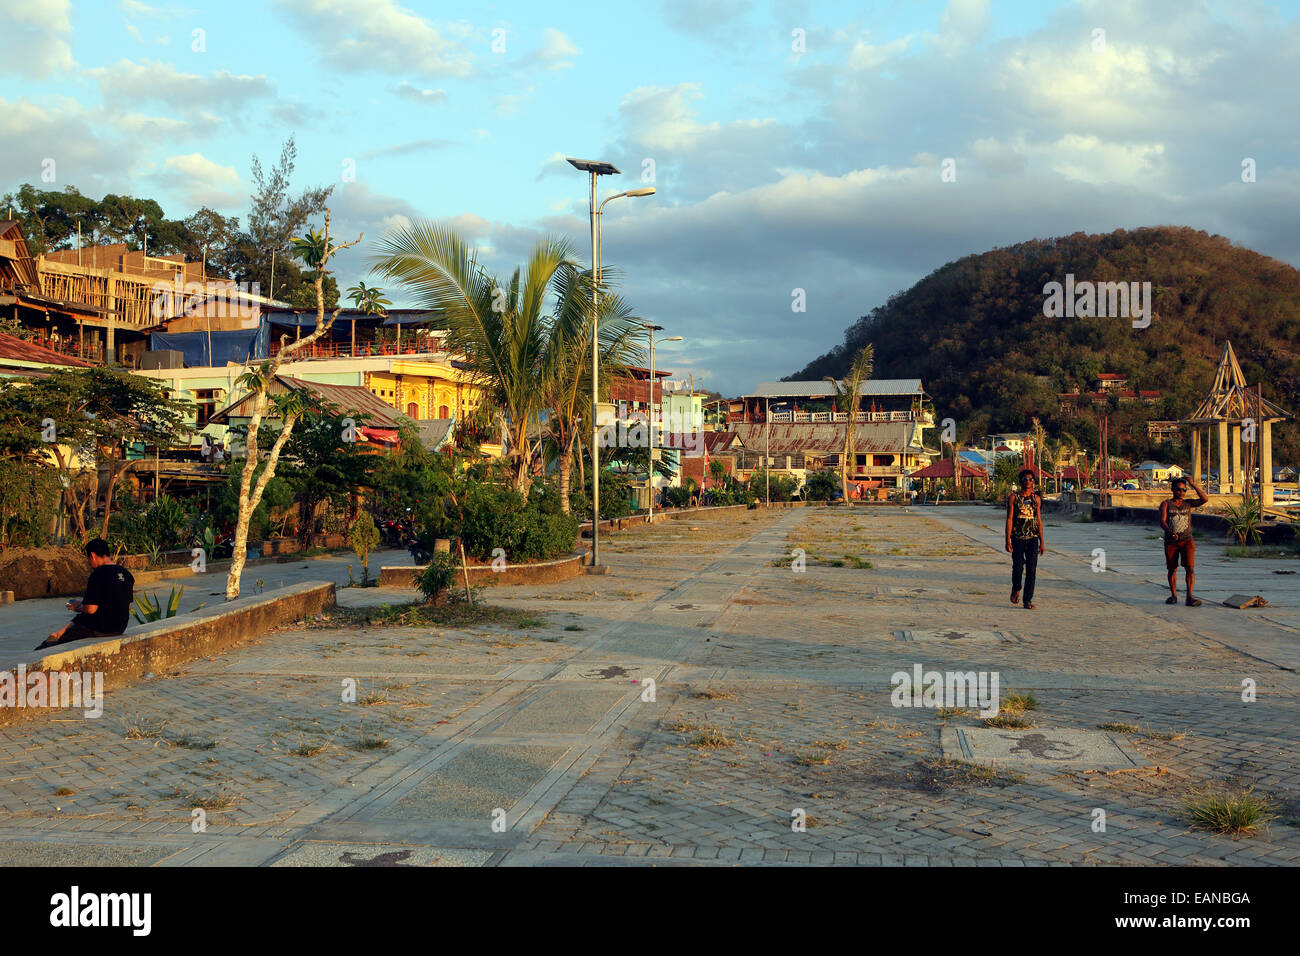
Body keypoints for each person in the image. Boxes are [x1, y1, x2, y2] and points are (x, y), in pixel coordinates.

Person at [35, 539, 135, 652]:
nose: (89, 563)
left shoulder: (97, 574)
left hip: (102, 628)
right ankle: (59, 632)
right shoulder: (127, 574)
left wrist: (77, 607)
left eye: (88, 559)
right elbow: (127, 606)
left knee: (50, 646)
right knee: (83, 616)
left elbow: (91, 609)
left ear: (92, 555)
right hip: (120, 627)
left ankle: (55, 637)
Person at [1160, 477, 1208, 606]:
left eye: (1184, 490)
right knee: (1172, 569)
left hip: (1187, 540)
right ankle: (1174, 595)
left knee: (1190, 568)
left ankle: (1189, 597)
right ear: (1172, 489)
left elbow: (1205, 499)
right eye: (1178, 489)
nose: (1181, 492)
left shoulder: (1188, 503)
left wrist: (1193, 484)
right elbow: (1162, 521)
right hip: (1171, 542)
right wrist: (1170, 532)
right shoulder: (1166, 504)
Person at [1005, 469, 1045, 610]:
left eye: (1030, 479)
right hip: (1017, 538)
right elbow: (1009, 519)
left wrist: (1042, 542)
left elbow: (1038, 520)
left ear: (1034, 482)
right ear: (1021, 481)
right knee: (1017, 567)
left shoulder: (1036, 499)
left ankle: (1027, 600)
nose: (1028, 481)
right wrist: (1007, 540)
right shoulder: (1014, 498)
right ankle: (1016, 588)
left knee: (1031, 570)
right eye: (1025, 479)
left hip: (1033, 538)